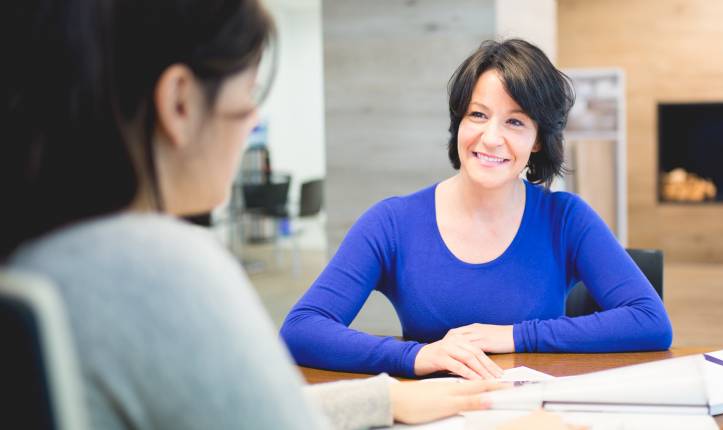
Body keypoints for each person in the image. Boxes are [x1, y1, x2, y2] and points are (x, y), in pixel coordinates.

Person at [0, 1, 519, 429]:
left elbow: (230, 412)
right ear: (180, 102)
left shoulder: (41, 255)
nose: (252, 123)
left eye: (516, 122)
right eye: (248, 97)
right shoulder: (159, 266)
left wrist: (383, 401)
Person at [281, 39, 673, 380]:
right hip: (438, 414)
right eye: (478, 115)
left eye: (515, 121)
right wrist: (414, 355)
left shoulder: (565, 218)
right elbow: (301, 328)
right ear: (459, 122)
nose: (491, 138)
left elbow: (650, 321)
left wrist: (516, 335)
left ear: (538, 140)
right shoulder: (392, 223)